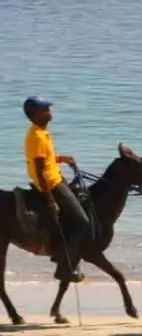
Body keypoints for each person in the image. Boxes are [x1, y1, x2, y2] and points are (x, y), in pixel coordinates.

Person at [22, 97, 89, 283]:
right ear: (35, 114)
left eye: (48, 108)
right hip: (51, 184)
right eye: (45, 109)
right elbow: (39, 170)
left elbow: (45, 159)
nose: (50, 111)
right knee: (82, 221)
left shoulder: (42, 132)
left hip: (56, 177)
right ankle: (65, 266)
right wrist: (50, 199)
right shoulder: (36, 137)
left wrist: (61, 159)